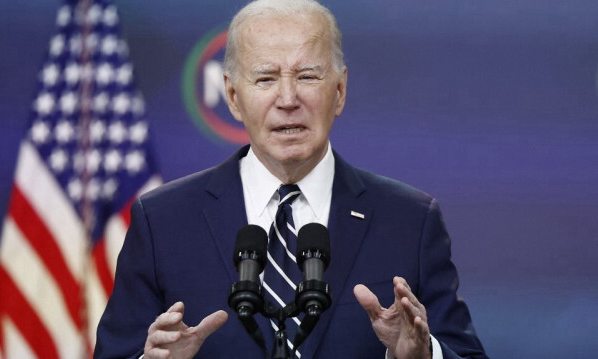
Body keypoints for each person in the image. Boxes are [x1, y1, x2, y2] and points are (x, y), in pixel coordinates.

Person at [94, 1, 488, 358]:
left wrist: (422, 356)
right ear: (232, 95)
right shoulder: (162, 220)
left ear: (339, 91)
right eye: (265, 79)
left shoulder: (409, 221)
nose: (287, 99)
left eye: (308, 77)